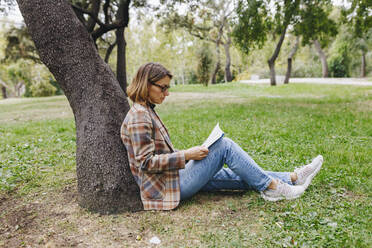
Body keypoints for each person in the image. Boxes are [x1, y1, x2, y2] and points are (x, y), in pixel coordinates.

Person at [121, 62, 323, 211]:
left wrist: (188, 156)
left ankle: (293, 178)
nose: (166, 93)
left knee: (242, 174)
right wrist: (187, 155)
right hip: (166, 188)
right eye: (162, 87)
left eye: (168, 88)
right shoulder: (140, 116)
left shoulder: (145, 110)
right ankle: (272, 187)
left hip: (172, 178)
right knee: (224, 145)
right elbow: (145, 163)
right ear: (146, 84)